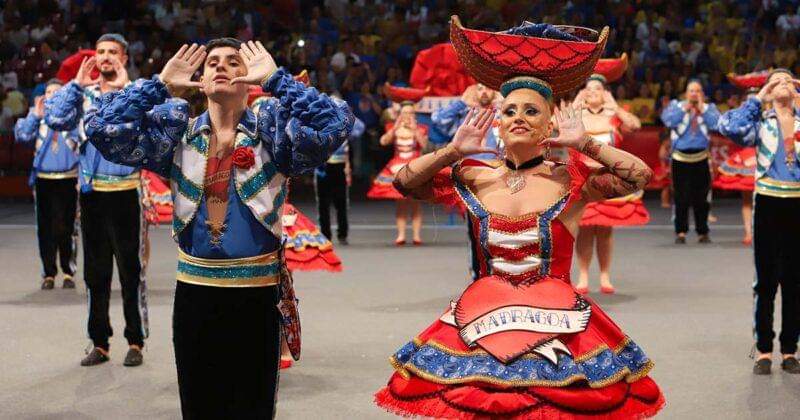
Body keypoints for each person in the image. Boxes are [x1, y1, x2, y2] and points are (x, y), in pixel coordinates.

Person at [374, 18, 664, 419]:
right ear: (498, 122)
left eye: (532, 110)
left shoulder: (571, 179)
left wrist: (583, 142)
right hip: (483, 318)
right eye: (509, 110)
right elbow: (405, 183)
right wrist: (453, 151)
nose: (518, 117)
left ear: (550, 124)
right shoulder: (474, 174)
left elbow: (639, 175)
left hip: (557, 319)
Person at [84, 39, 353, 418]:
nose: (221, 67)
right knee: (198, 409)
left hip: (256, 299)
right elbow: (100, 127)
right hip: (195, 296)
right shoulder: (175, 135)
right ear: (201, 79)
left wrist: (277, 79)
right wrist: (160, 85)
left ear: (249, 78)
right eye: (212, 62)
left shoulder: (273, 133)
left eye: (233, 62)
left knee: (253, 409)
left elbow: (338, 122)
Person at [44, 34, 147, 367]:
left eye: (112, 52)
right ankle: (99, 342)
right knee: (95, 274)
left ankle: (136, 340)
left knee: (130, 272)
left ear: (125, 56)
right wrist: (75, 84)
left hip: (126, 192)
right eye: (100, 52)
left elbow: (155, 113)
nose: (105, 57)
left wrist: (125, 85)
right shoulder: (83, 95)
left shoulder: (136, 90)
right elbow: (54, 118)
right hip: (91, 197)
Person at [718, 69, 800, 375]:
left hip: (797, 202)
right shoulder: (761, 122)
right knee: (765, 281)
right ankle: (764, 349)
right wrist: (760, 99)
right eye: (775, 80)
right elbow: (728, 126)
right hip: (767, 202)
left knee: (794, 282)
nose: (782, 84)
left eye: (788, 80)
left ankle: (790, 349)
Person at [573, 74, 646, 294]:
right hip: (583, 179)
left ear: (605, 93)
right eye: (588, 88)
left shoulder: (614, 116)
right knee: (584, 228)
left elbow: (635, 125)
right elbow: (555, 126)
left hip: (608, 180)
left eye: (597, 89)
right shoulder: (576, 115)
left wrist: (615, 107)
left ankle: (605, 275)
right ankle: (583, 275)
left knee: (604, 229)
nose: (592, 92)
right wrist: (577, 103)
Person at [14, 78, 80, 290]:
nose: (53, 96)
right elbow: (21, 135)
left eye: (57, 92)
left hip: (69, 179)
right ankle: (49, 273)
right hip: (44, 180)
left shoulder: (73, 117)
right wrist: (35, 115)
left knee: (68, 228)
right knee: (45, 229)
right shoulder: (37, 119)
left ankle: (68, 271)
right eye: (49, 92)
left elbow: (85, 141)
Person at [660, 79, 721, 244]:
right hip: (680, 159)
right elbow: (668, 121)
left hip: (701, 158)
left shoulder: (709, 109)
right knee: (681, 197)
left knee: (701, 198)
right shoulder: (676, 106)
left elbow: (716, 124)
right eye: (691, 90)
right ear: (686, 93)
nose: (694, 93)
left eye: (697, 90)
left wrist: (702, 109)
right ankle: (680, 231)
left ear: (702, 93)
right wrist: (685, 109)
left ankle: (703, 232)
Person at [367, 87, 429, 245]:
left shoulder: (421, 129)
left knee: (415, 202)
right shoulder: (392, 128)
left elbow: (424, 146)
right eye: (405, 113)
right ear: (400, 114)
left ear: (414, 114)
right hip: (397, 166)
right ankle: (401, 235)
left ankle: (417, 235)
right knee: (400, 203)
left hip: (415, 165)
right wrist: (395, 128)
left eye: (410, 113)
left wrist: (415, 130)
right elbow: (383, 142)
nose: (407, 116)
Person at [315, 116, 362, 245]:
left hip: (340, 166)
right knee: (323, 204)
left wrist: (348, 114)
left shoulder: (344, 126)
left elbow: (360, 127)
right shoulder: (318, 123)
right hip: (323, 167)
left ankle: (343, 234)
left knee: (341, 202)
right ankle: (325, 235)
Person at [431, 83, 502, 159]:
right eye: (480, 89)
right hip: (464, 166)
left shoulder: (501, 115)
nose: (484, 92)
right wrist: (462, 103)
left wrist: (502, 104)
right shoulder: (464, 115)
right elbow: (437, 119)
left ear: (495, 92)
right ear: (474, 92)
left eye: (488, 88)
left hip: (494, 167)